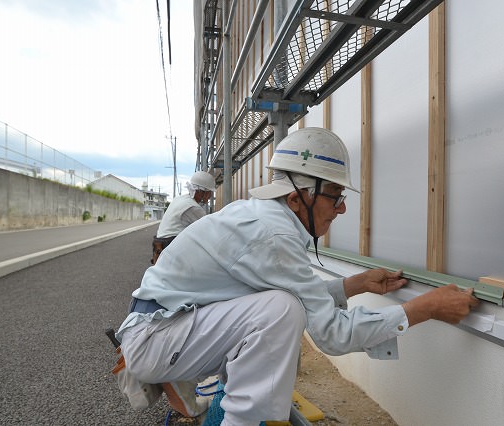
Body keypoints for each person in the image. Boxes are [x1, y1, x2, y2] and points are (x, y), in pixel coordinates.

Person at [117, 127, 479, 425]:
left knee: (279, 306)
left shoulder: (263, 219)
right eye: (334, 194)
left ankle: (236, 409)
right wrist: (424, 308)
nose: (342, 208)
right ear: (296, 199)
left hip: (163, 326)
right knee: (280, 310)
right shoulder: (273, 236)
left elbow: (297, 294)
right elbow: (332, 334)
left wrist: (353, 284)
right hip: (156, 337)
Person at [150, 170, 215, 264]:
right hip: (170, 243)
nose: (210, 196)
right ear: (200, 191)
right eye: (209, 193)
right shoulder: (194, 207)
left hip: (159, 243)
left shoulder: (179, 199)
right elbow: (208, 231)